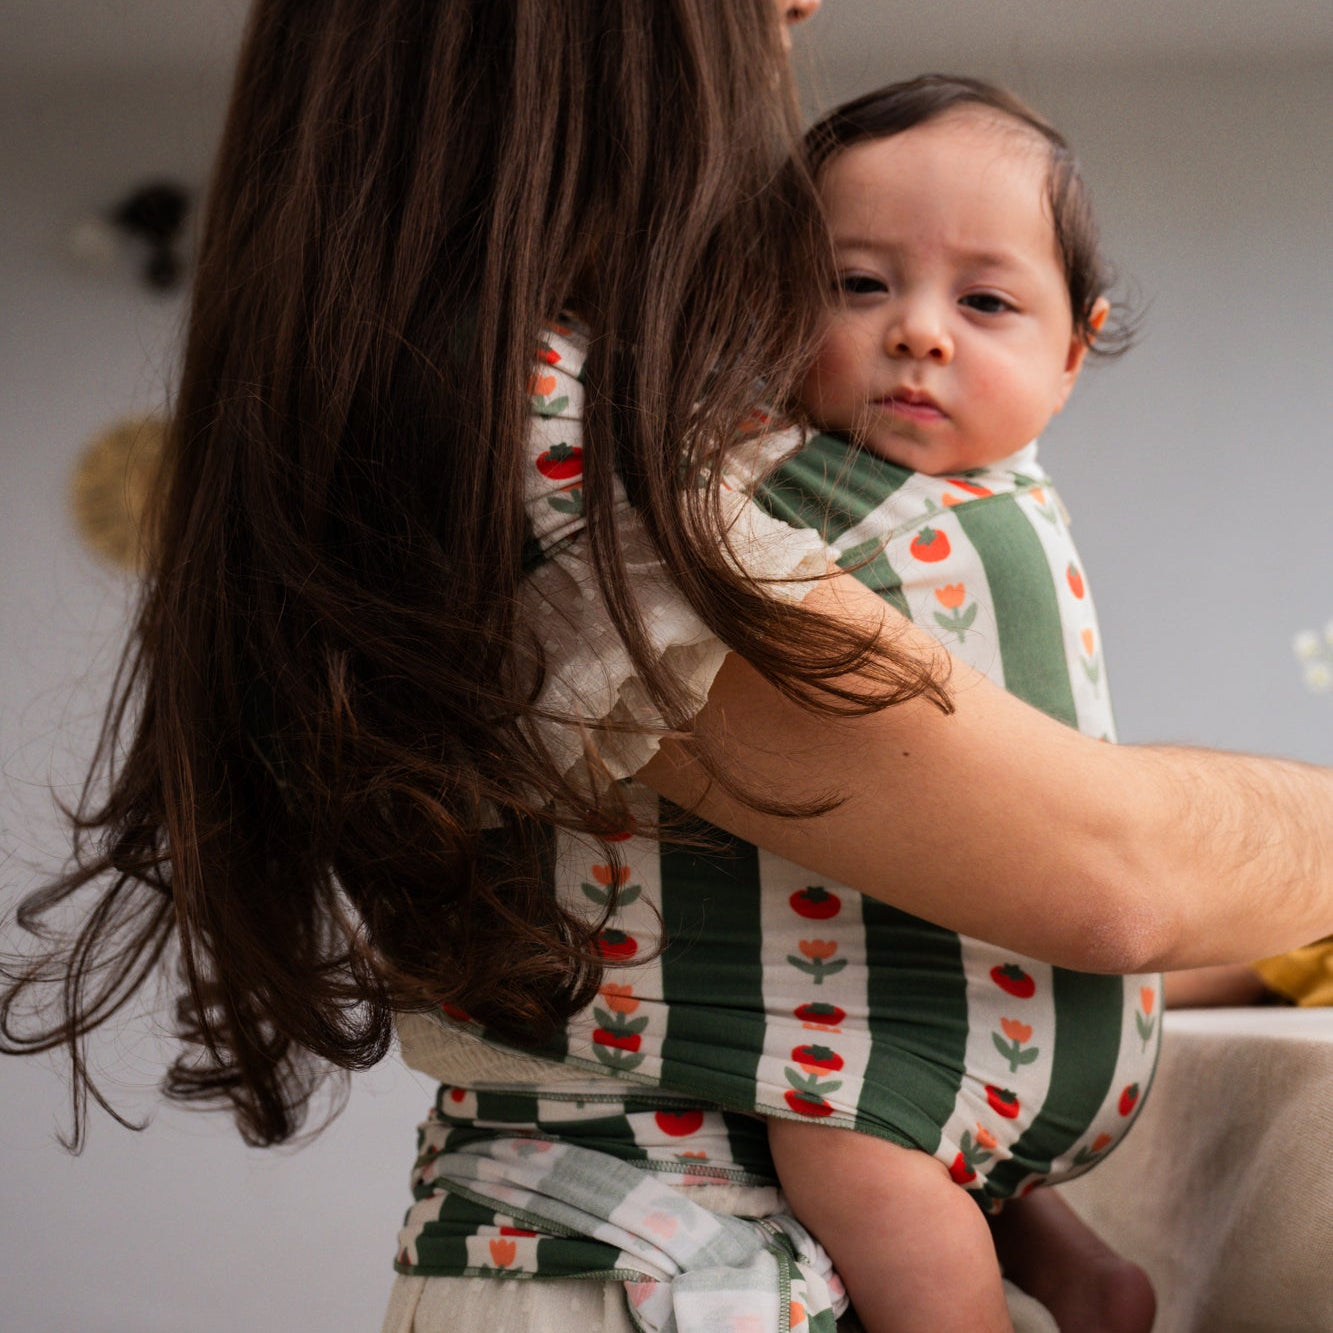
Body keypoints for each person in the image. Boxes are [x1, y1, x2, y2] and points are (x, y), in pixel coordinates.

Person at [4, 3, 1333, 1332]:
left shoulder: (560, 412)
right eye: (858, 283)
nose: (801, 6)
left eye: (985, 299)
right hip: (657, 1273)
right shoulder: (566, 453)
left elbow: (992, 903)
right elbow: (1110, 878)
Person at [754, 75, 1156, 1333]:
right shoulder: (1018, 498)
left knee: (840, 1140)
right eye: (860, 285)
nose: (919, 331)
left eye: (982, 302)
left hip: (940, 1016)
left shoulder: (819, 494)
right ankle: (1082, 1274)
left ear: (1071, 351)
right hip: (1073, 1019)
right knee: (970, 1160)